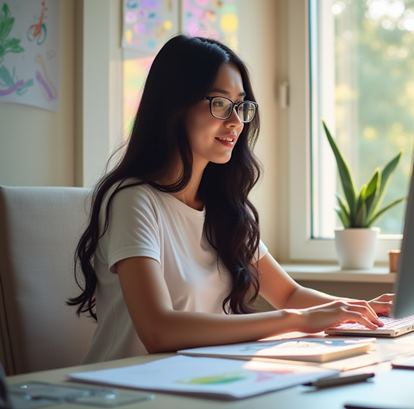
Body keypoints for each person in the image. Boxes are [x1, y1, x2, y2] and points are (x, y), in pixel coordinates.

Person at [68, 35, 393, 363]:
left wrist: (359, 311)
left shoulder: (225, 207)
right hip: (128, 387)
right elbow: (158, 330)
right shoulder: (133, 200)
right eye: (220, 103)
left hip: (201, 379)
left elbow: (288, 294)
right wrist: (297, 321)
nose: (236, 121)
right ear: (174, 106)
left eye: (241, 105)